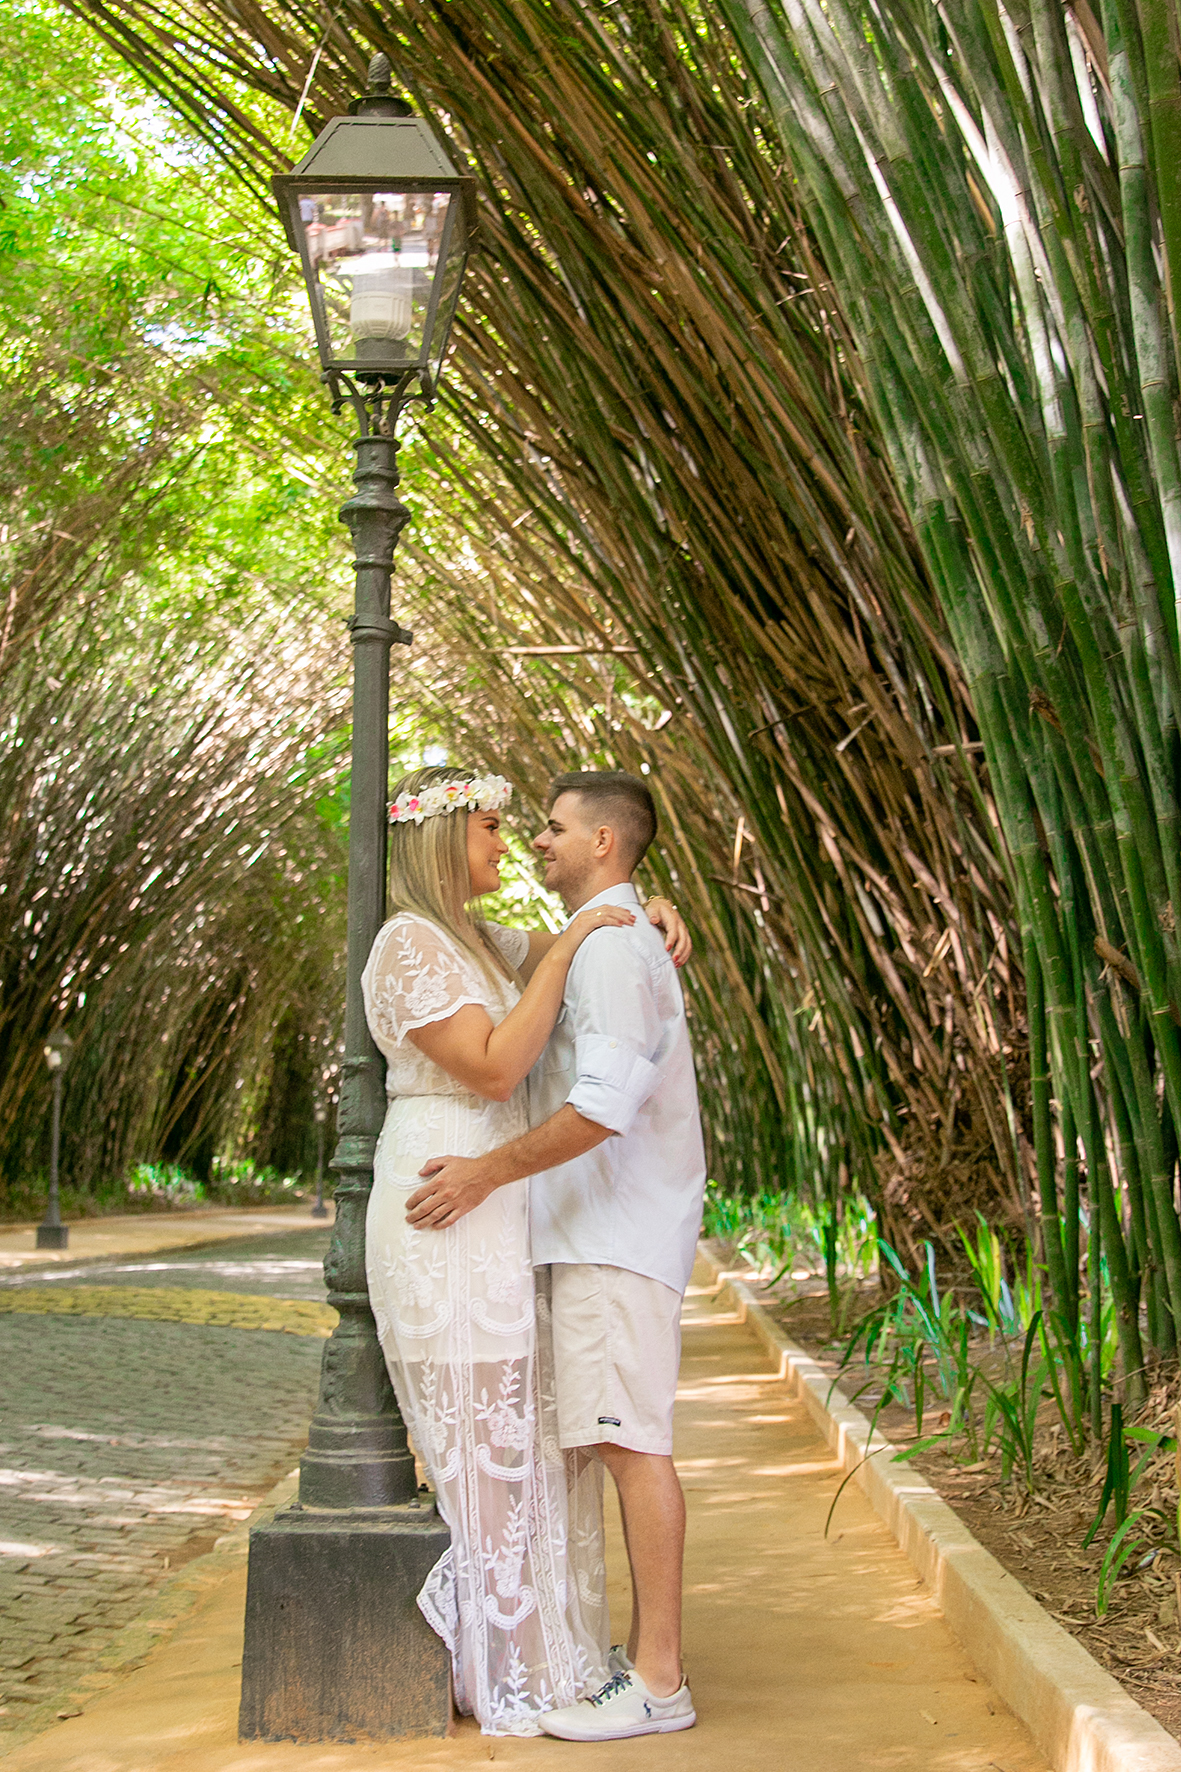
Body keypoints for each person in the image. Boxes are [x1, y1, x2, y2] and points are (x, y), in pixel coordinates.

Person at [362, 765, 690, 1737]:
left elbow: (580, 943)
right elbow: (501, 1063)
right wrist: (585, 930)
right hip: (446, 1200)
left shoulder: (482, 938)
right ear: (442, 834)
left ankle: (551, 1656)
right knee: (480, 1446)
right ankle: (503, 1667)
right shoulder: (406, 943)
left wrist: (637, 904)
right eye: (495, 830)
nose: (509, 848)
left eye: (524, 830)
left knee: (530, 1449)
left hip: (503, 1200)